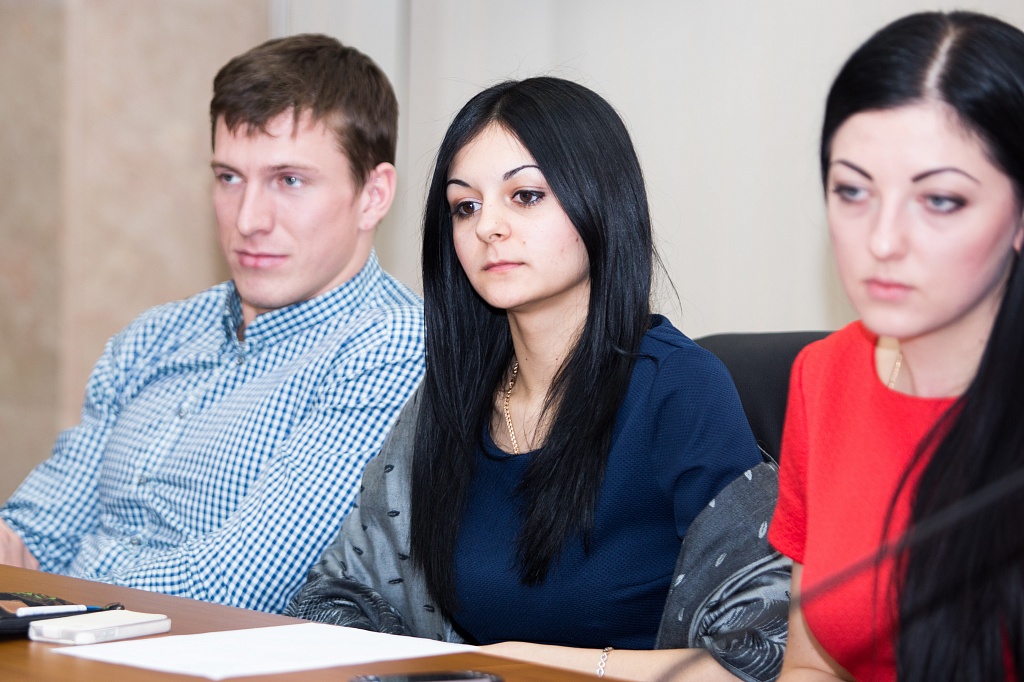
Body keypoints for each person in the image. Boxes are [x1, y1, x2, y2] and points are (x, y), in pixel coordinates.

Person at [286, 77, 791, 681]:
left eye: (525, 196)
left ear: (598, 202)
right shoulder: (452, 396)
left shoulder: (679, 389)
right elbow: (342, 596)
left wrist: (526, 664)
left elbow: (760, 653)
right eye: (465, 206)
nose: (487, 227)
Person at [0, 34, 424, 613]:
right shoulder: (155, 335)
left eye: (289, 180)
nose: (248, 219)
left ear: (373, 195)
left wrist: (61, 596)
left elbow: (236, 586)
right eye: (228, 177)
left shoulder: (390, 343)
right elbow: (32, 534)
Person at [771, 11, 1024, 681]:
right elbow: (811, 664)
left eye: (939, 200)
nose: (882, 240)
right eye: (852, 191)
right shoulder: (823, 375)